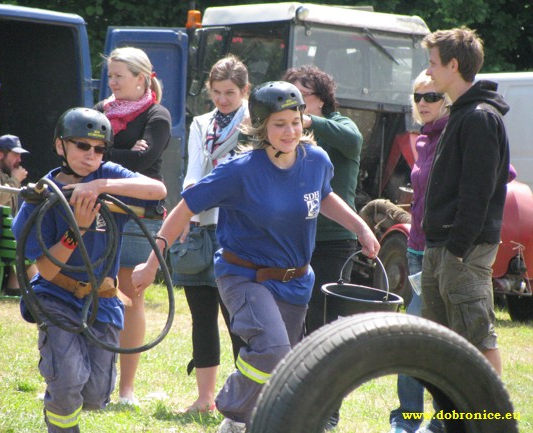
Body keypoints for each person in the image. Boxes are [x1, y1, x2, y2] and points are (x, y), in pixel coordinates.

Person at [131, 81, 380, 432]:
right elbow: (185, 207)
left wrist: (361, 228)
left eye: (295, 121)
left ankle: (257, 421)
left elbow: (323, 197)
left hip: (296, 281)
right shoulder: (240, 170)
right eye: (279, 124)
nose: (290, 131)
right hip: (243, 276)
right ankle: (233, 414)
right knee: (273, 350)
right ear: (261, 127)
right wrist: (152, 262)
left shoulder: (317, 161)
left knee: (282, 365)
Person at [11, 107, 166, 433]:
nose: (91, 155)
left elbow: (158, 191)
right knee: (68, 383)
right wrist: (76, 231)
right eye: (82, 146)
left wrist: (99, 186)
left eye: (98, 148)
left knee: (95, 395)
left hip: (103, 299)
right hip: (57, 296)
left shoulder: (109, 174)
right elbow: (45, 272)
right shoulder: (43, 194)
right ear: (60, 146)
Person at [421, 28, 508, 378]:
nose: (428, 72)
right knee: (443, 345)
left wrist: (456, 249)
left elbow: (478, 193)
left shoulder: (480, 117)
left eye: (432, 64)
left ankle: (494, 425)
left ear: (453, 65)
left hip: (463, 250)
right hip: (441, 246)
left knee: (477, 341)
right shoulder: (460, 113)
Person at [282, 64, 362, 431]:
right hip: (295, 241)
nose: (295, 109)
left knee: (325, 329)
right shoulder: (286, 136)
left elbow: (351, 140)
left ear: (322, 99)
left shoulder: (341, 125)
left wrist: (308, 123)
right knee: (289, 326)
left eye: (301, 100)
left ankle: (328, 414)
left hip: (333, 244)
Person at [94, 46, 171, 405]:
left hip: (141, 216)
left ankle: (126, 390)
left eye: (118, 76)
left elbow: (147, 158)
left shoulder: (158, 115)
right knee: (96, 290)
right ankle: (96, 381)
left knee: (130, 296)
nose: (111, 83)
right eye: (110, 76)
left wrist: (102, 154)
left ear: (141, 78)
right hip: (98, 212)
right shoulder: (99, 113)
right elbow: (82, 155)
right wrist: (124, 155)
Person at [173, 55, 248, 413]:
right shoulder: (201, 123)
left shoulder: (254, 120)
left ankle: (243, 399)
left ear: (244, 91)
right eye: (216, 92)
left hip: (237, 225)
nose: (222, 99)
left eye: (230, 93)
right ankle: (205, 399)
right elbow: (192, 171)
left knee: (237, 318)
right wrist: (186, 211)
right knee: (201, 315)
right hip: (202, 223)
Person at [387, 70, 450, 433]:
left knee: (420, 339)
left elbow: (499, 176)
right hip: (415, 249)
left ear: (448, 100)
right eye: (418, 97)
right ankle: (408, 419)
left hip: (442, 253)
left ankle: (436, 422)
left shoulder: (456, 134)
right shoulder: (423, 139)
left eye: (432, 97)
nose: (423, 104)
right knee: (414, 337)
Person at [0, 134, 37, 295]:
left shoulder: (0, 170)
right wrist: (15, 180)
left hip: (3, 237)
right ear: (0, 154)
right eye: (15, 154)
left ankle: (20, 284)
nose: (19, 159)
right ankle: (26, 287)